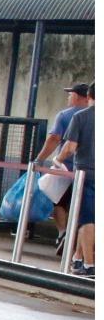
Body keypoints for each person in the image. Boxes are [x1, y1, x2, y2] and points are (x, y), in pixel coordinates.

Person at [35, 82, 92, 246]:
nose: (68, 97)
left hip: (66, 167)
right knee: (83, 206)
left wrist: (41, 159)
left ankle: (63, 233)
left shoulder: (67, 115)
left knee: (57, 200)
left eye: (70, 94)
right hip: (89, 170)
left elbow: (55, 139)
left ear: (78, 96)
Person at [58, 93, 94, 276]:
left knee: (88, 219)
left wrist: (58, 159)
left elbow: (70, 147)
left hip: (85, 175)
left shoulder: (80, 116)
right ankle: (78, 259)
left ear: (89, 96)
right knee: (85, 219)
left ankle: (89, 264)